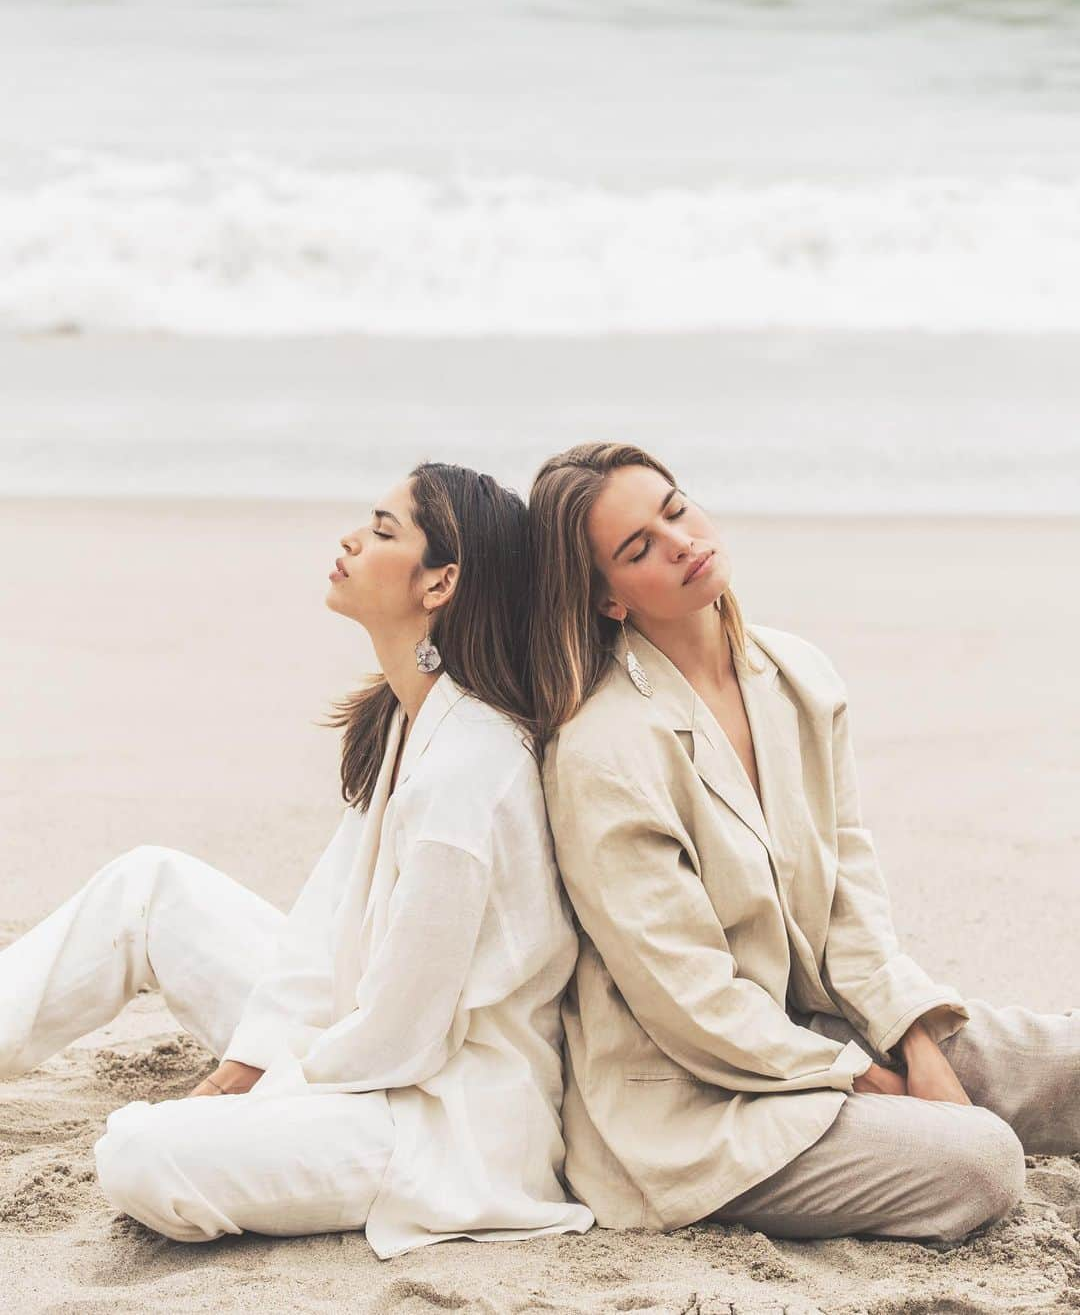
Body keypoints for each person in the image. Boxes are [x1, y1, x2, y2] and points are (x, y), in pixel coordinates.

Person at [0, 462, 594, 1259]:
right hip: (355, 1031)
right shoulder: (408, 717)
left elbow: (404, 1034)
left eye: (384, 531)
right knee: (150, 886)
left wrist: (256, 1091)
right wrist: (241, 1066)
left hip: (432, 1114)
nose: (351, 538)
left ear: (441, 582)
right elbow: (320, 930)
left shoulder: (471, 770)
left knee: (144, 1153)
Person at [526, 439, 1078, 1244]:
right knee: (981, 1160)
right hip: (696, 1102)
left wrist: (915, 1042)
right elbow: (691, 1003)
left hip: (821, 1026)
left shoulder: (796, 675)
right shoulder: (602, 751)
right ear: (608, 598)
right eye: (638, 547)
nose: (680, 541)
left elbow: (851, 902)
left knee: (1060, 1056)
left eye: (675, 509)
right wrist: (866, 1077)